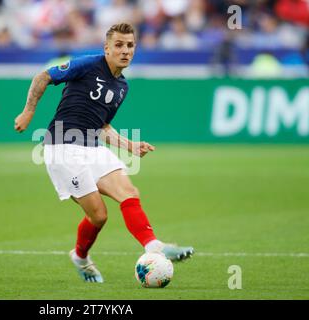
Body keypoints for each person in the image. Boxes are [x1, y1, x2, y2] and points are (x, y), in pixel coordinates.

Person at [14, 23, 194, 283]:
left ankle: (154, 246)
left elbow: (102, 126)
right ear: (106, 48)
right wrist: (28, 111)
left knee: (129, 193)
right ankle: (80, 257)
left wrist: (129, 145)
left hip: (92, 147)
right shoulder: (87, 64)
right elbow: (42, 77)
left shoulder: (122, 87)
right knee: (99, 216)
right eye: (119, 45)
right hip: (62, 147)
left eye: (130, 45)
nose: (125, 51)